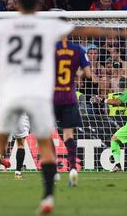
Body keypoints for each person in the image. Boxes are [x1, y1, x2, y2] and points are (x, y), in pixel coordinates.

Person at [0, 0, 127, 214]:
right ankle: (47, 198)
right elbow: (84, 30)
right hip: (37, 94)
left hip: (12, 93)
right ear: (38, 7)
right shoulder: (46, 25)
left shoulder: (6, 24)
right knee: (46, 146)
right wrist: (118, 34)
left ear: (17, 5)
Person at [54, 37, 91, 186]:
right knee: (68, 134)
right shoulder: (79, 49)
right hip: (69, 97)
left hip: (52, 96)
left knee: (47, 133)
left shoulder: (50, 48)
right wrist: (76, 73)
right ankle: (73, 169)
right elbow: (88, 74)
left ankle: (53, 172)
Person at [0, 68, 30, 180]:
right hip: (20, 112)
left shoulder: (0, 73)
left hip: (4, 111)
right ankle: (18, 173)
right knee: (21, 143)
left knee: (1, 143)